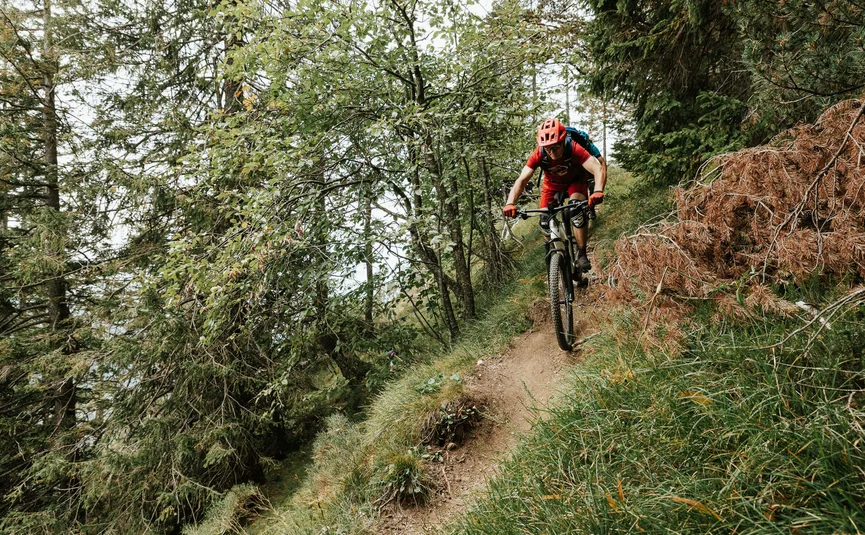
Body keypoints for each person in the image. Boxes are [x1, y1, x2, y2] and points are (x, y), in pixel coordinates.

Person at [502, 118, 607, 271]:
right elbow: (522, 179)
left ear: (563, 141)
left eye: (555, 148)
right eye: (547, 148)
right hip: (551, 186)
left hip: (575, 182)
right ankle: (554, 255)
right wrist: (510, 202)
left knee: (576, 211)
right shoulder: (539, 153)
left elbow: (598, 168)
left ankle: (582, 253)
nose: (551, 152)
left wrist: (597, 190)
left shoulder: (574, 148)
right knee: (544, 221)